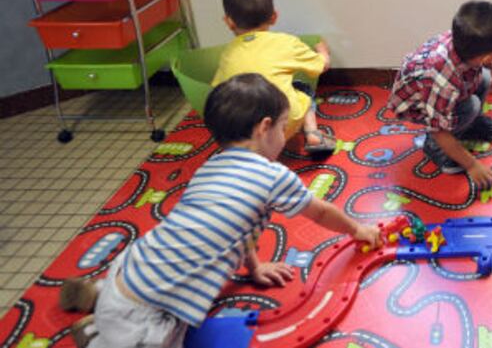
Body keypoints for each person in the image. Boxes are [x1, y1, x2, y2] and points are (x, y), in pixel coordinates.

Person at [62, 74, 382, 348]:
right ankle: (96, 335)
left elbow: (235, 229)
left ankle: (98, 296)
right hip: (144, 313)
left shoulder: (211, 165)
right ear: (264, 127)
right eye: (284, 128)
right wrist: (358, 229)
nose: (285, 137)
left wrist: (255, 267)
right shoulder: (272, 175)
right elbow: (321, 212)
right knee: (167, 337)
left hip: (135, 264)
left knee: (140, 286)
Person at [386, 0, 492, 189]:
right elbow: (438, 129)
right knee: (471, 106)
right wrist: (472, 165)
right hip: (420, 104)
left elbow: (482, 62)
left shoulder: (467, 44)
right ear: (488, 55)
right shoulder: (443, 79)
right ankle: (434, 148)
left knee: (484, 78)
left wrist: (490, 69)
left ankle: (469, 125)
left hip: (443, 91)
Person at [211, 0, 335, 154]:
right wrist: (322, 50)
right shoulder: (287, 42)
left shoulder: (228, 53)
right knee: (303, 88)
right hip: (285, 122)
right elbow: (322, 66)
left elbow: (219, 89)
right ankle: (312, 133)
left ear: (229, 22)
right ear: (274, 17)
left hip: (243, 131)